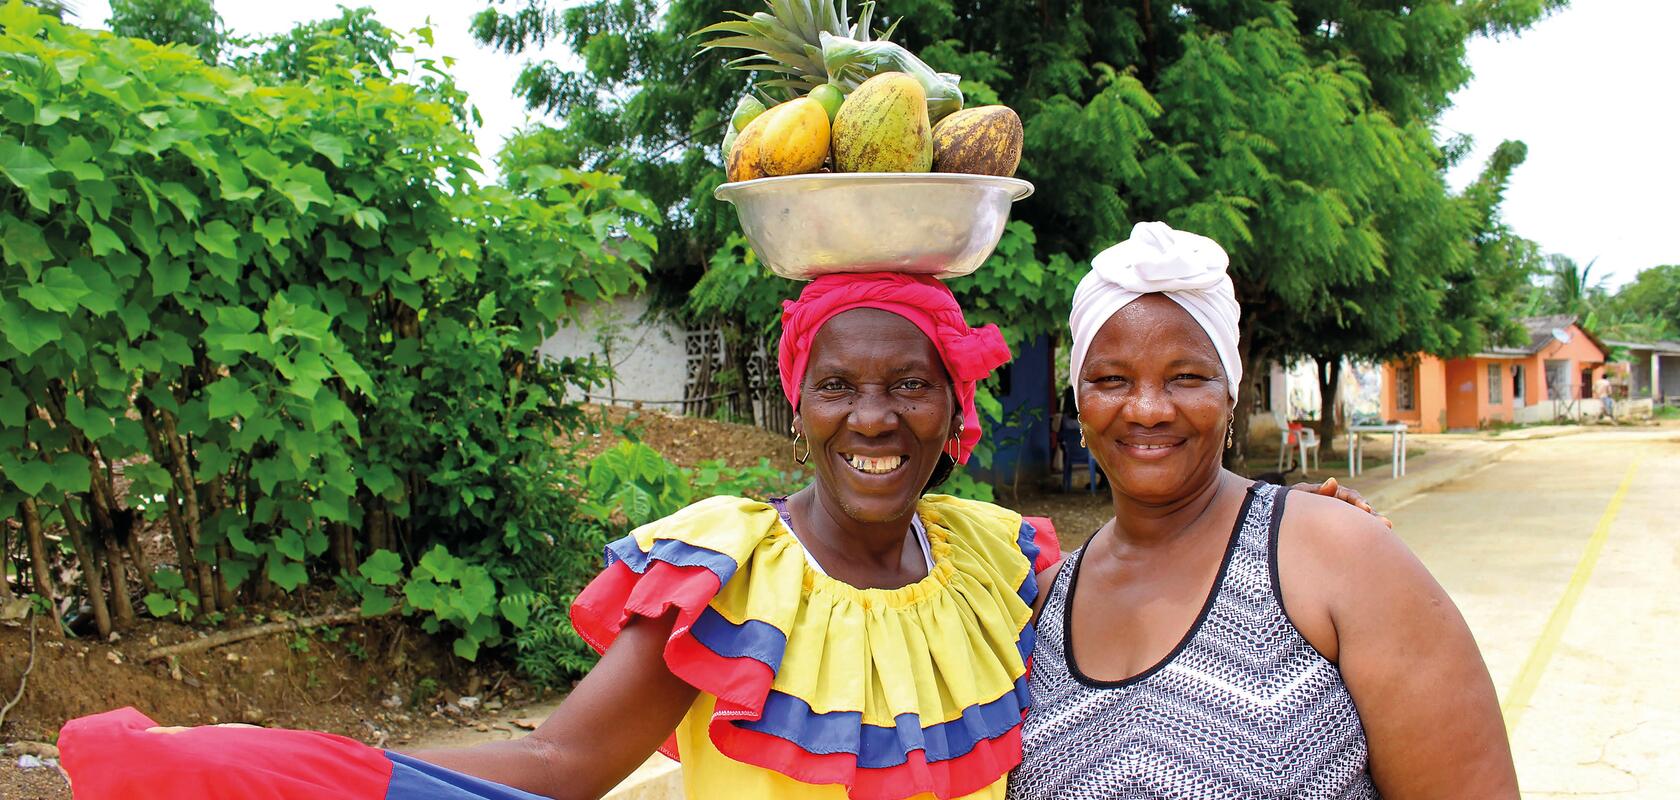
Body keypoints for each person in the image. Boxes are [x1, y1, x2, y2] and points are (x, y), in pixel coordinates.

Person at [60, 272, 1378, 800]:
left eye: (911, 384)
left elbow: (1146, 579)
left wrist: (1281, 520)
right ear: (796, 403)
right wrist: (273, 769)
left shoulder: (996, 562)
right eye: (841, 385)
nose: (876, 418)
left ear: (955, 409)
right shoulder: (726, 572)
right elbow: (558, 761)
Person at [1007, 223, 1518, 799]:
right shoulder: (1042, 604)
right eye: (1111, 379)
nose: (1147, 408)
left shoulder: (1337, 556)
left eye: (1187, 377)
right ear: (1081, 398)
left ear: (1232, 393)